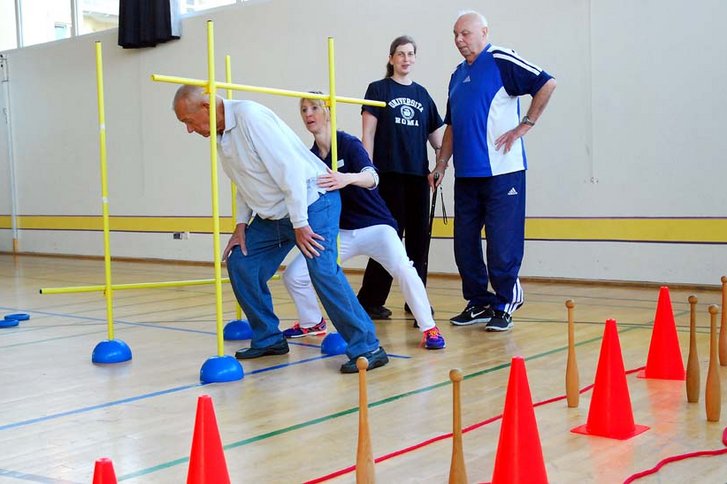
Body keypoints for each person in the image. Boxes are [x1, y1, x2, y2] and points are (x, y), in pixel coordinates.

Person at [172, 85, 389, 373]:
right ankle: (269, 339)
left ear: (207, 107)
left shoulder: (251, 118)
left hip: (312, 203)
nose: (189, 130)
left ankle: (368, 346)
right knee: (242, 262)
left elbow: (291, 172)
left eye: (188, 121)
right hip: (275, 214)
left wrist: (300, 223)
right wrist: (241, 225)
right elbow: (245, 181)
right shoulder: (222, 134)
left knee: (322, 270)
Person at [280, 95, 446, 350]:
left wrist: (346, 178)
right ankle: (312, 322)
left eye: (314, 108)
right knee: (294, 275)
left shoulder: (348, 144)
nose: (308, 114)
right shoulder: (310, 157)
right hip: (341, 233)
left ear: (327, 112)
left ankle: (429, 328)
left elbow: (372, 177)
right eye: (304, 110)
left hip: (376, 226)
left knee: (404, 269)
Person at [433, 11, 557, 331]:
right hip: (467, 176)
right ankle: (479, 302)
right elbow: (452, 126)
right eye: (455, 34)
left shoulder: (501, 59)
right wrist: (441, 164)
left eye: (465, 33)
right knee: (464, 245)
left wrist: (525, 125)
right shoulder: (457, 75)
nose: (459, 40)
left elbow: (546, 82)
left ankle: (505, 303)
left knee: (502, 244)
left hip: (504, 173)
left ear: (484, 32)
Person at [356, 35, 445, 320]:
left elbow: (439, 140)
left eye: (410, 54)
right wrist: (368, 172)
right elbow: (368, 135)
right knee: (387, 239)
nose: (406, 59)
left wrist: (439, 166)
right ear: (391, 58)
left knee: (418, 242)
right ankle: (369, 301)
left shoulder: (423, 95)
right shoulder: (378, 89)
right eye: (401, 54)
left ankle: (415, 300)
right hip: (388, 176)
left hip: (418, 178)